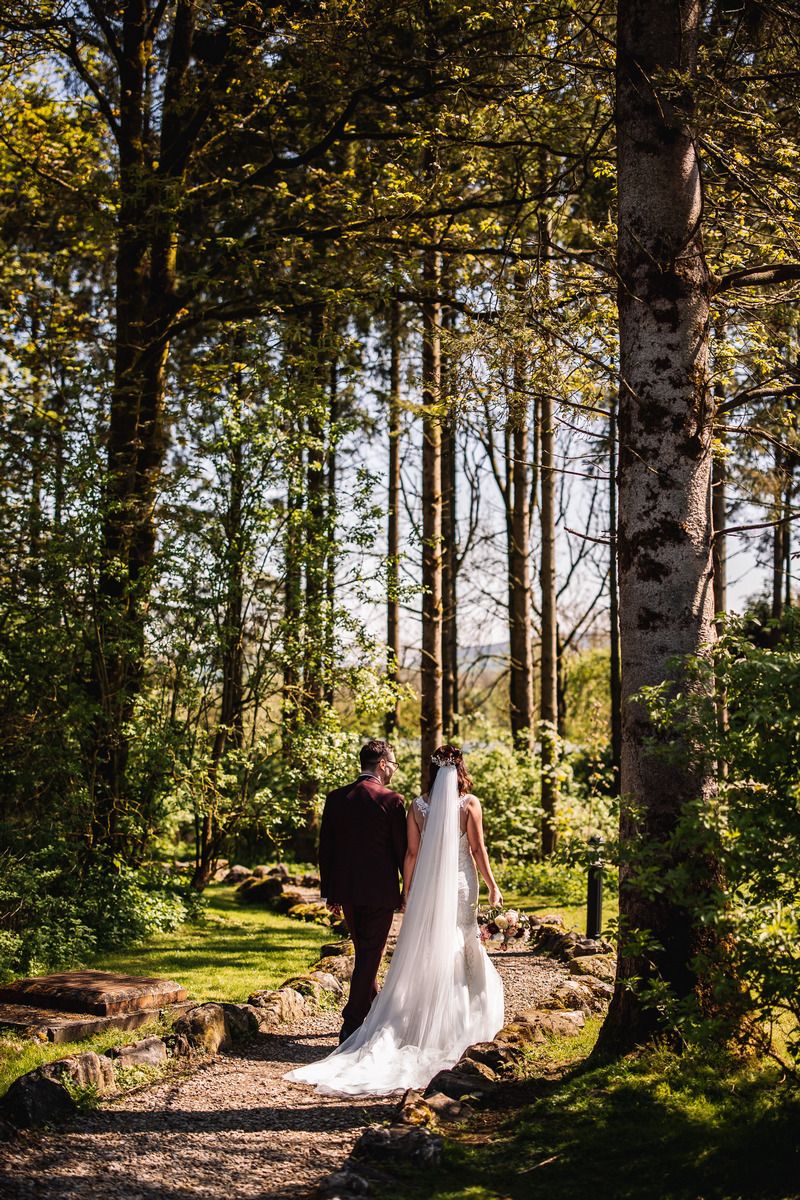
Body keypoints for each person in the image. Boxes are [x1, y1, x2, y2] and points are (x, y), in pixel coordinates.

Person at [285, 744, 505, 1097]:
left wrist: (408, 891)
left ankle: (386, 1016)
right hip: (449, 887)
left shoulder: (413, 806)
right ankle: (380, 1021)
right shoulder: (446, 803)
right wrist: (492, 886)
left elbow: (409, 852)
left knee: (395, 951)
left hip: (397, 891)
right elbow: (475, 850)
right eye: (393, 763)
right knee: (453, 945)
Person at [317, 738, 407, 1044]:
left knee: (366, 954)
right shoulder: (392, 800)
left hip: (347, 892)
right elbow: (401, 851)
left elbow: (326, 849)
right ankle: (352, 1023)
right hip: (380, 892)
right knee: (370, 954)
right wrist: (407, 888)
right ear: (382, 764)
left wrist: (329, 892)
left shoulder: (336, 798)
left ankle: (379, 1011)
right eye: (393, 764)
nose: (394, 770)